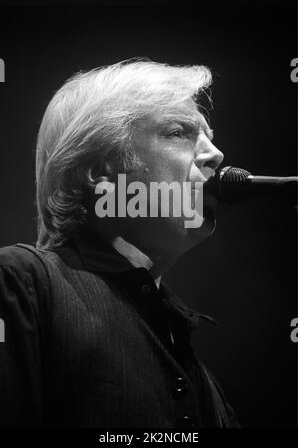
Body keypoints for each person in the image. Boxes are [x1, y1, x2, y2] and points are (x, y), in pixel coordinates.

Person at [0, 59, 238, 428]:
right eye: (178, 132)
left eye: (208, 135)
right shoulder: (22, 282)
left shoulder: (196, 367)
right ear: (98, 170)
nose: (215, 154)